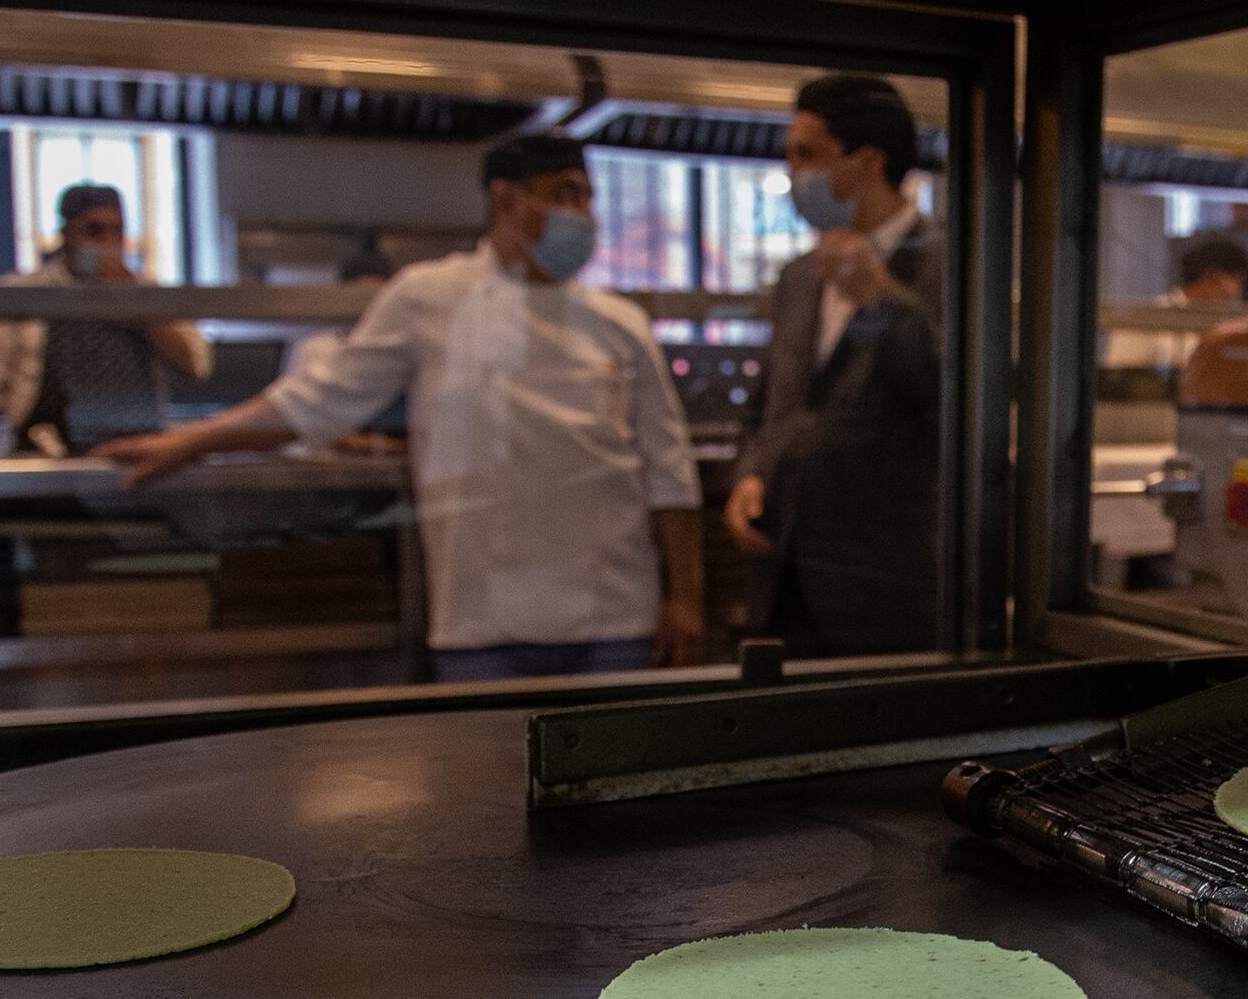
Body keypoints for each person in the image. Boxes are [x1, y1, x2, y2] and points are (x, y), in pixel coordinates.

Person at [97, 135, 705, 678]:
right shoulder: (428, 296)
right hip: (482, 625)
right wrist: (190, 441)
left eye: (587, 198)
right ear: (506, 201)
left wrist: (687, 599)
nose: (583, 216)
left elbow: (668, 466)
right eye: (564, 194)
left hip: (616, 618)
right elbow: (318, 401)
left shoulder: (621, 323)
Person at [722, 73, 943, 656]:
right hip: (783, 575)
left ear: (866, 162)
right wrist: (750, 473)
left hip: (886, 588)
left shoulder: (952, 264)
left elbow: (955, 402)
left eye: (806, 154)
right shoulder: (799, 276)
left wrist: (885, 303)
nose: (793, 172)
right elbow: (769, 404)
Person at [0, 183, 209, 455]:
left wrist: (134, 300)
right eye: (94, 231)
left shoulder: (149, 295)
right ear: (66, 233)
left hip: (135, 452)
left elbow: (195, 366)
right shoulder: (26, 294)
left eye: (116, 231)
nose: (107, 243)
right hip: (47, 457)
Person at [1101, 235, 1248, 374]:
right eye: (1236, 280)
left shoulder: (1223, 321)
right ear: (1211, 278)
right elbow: (1120, 373)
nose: (1236, 290)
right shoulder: (1149, 318)